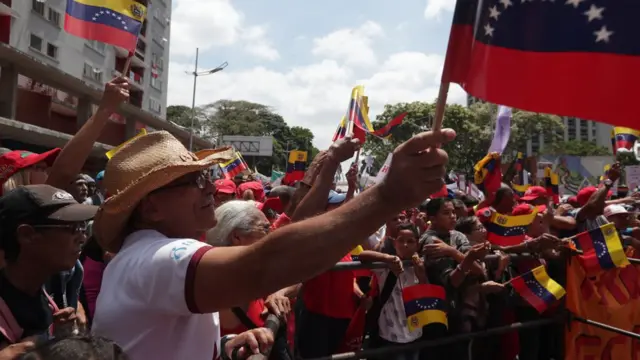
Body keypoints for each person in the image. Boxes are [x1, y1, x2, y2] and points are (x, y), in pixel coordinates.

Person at [90, 128, 455, 360]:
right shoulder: (156, 258)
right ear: (151, 207)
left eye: (205, 176)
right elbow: (263, 266)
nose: (209, 186)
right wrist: (387, 196)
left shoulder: (147, 256)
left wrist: (224, 347)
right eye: (192, 181)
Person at [0, 185, 98, 358]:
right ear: (27, 235)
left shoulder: (44, 296)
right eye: (71, 228)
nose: (82, 237)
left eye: (82, 226)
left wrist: (57, 341)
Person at [206, 200, 294, 360]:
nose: (272, 235)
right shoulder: (221, 287)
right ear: (237, 237)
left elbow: (297, 277)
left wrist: (279, 292)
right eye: (265, 229)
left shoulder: (254, 272)